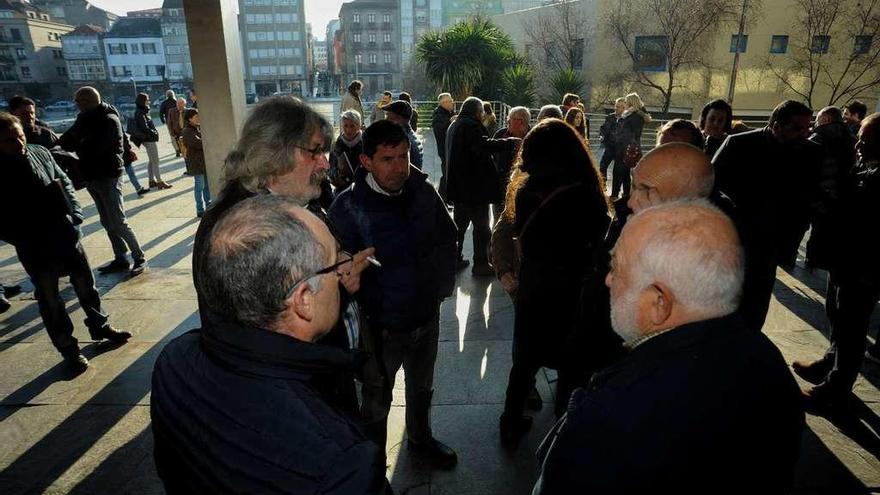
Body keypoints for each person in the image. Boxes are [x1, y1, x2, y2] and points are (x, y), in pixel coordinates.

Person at [533, 200, 804, 494]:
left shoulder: (612, 417)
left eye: (618, 267)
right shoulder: (770, 363)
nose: (609, 279)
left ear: (660, 303)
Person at [152, 195, 390, 494]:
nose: (344, 270)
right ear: (304, 300)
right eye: (335, 263)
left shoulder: (174, 359)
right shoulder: (342, 463)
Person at [192, 96, 375, 412]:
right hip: (299, 401)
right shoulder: (239, 230)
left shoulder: (295, 201)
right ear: (274, 152)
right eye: (315, 151)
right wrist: (337, 286)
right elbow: (275, 330)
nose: (326, 163)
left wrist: (336, 260)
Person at [329, 119, 459, 469]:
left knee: (422, 388)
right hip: (380, 329)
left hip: (425, 317)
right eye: (388, 159)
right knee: (375, 399)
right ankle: (372, 465)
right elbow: (335, 275)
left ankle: (420, 438)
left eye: (403, 156)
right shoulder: (347, 209)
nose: (399, 167)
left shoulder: (422, 191)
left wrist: (440, 288)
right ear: (366, 162)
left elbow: (449, 238)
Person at [499, 119, 611, 446]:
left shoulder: (525, 190)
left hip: (534, 286)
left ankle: (510, 422)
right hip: (574, 290)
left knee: (524, 361)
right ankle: (563, 433)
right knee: (572, 364)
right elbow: (597, 240)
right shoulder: (586, 193)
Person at [0, 113, 132, 372]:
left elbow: (65, 182)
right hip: (34, 245)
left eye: (20, 135)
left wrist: (75, 214)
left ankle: (100, 326)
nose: (19, 142)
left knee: (86, 286)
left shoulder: (40, 152)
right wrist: (22, 236)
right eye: (9, 140)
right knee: (50, 299)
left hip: (66, 234)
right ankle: (68, 349)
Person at [793, 113, 880, 415]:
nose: (858, 143)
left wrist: (825, 199)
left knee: (852, 325)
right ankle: (830, 361)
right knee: (838, 314)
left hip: (862, 266)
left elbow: (855, 216)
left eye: (865, 139)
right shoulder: (865, 167)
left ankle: (836, 387)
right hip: (845, 259)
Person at [713, 100, 822, 332]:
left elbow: (810, 199)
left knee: (755, 305)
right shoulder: (739, 144)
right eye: (797, 128)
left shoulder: (811, 153)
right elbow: (710, 187)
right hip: (731, 241)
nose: (805, 134)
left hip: (771, 246)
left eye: (807, 128)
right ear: (776, 125)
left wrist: (791, 239)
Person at [59, 86, 147, 276]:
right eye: (77, 102)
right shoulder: (83, 119)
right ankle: (120, 258)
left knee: (118, 222)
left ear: (91, 101)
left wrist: (79, 146)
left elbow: (98, 149)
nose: (78, 105)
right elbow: (67, 141)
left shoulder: (109, 119)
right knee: (106, 221)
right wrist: (74, 145)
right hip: (91, 176)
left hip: (108, 176)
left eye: (81, 101)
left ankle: (139, 257)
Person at [445, 96, 520, 275]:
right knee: (482, 227)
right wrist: (509, 143)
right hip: (473, 189)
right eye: (481, 112)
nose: (483, 115)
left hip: (458, 188)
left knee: (459, 226)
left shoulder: (454, 125)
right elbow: (481, 146)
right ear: (476, 112)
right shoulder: (470, 126)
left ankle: (454, 259)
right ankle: (480, 264)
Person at [804, 106, 856, 271]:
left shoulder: (820, 135)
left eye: (818, 119)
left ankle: (811, 260)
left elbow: (804, 158)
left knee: (814, 226)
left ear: (826, 119)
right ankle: (823, 260)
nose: (816, 123)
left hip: (820, 189)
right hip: (843, 192)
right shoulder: (851, 137)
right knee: (828, 228)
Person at [490, 106, 530, 220]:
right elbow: (492, 157)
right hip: (500, 188)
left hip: (522, 190)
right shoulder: (500, 134)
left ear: (521, 122)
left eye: (510, 119)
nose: (507, 121)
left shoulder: (532, 137)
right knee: (498, 222)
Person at [612, 92, 652, 198]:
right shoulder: (635, 114)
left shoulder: (635, 116)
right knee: (625, 172)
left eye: (626, 101)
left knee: (619, 171)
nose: (625, 103)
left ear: (630, 102)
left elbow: (633, 132)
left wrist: (621, 140)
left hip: (627, 147)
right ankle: (625, 194)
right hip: (629, 146)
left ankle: (616, 195)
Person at [131, 93, 170, 190]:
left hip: (147, 138)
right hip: (148, 139)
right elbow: (144, 127)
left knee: (151, 160)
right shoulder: (140, 112)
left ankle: (151, 181)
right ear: (143, 101)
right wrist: (153, 132)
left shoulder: (141, 110)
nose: (149, 101)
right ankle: (160, 181)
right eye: (147, 100)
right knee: (156, 160)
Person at [181, 108, 211, 217]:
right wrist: (208, 140)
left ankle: (209, 205)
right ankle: (200, 209)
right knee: (200, 186)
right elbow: (197, 143)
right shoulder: (187, 131)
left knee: (207, 186)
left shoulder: (197, 128)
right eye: (196, 117)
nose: (198, 118)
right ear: (189, 119)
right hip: (196, 163)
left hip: (202, 162)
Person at [381, 99, 423, 169]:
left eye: (389, 117)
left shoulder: (401, 141)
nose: (386, 121)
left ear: (399, 119)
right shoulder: (411, 135)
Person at [329, 109, 364, 193]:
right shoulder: (337, 145)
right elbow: (330, 167)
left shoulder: (366, 144)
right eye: (345, 126)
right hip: (341, 190)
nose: (348, 130)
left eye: (352, 126)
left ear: (359, 126)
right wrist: (336, 178)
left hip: (362, 190)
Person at [431, 92, 455, 201]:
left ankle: (445, 197)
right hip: (445, 149)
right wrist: (450, 121)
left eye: (451, 100)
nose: (452, 102)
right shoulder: (438, 114)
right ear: (443, 103)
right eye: (450, 101)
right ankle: (442, 198)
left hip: (450, 148)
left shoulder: (449, 112)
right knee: (447, 174)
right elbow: (439, 132)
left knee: (449, 174)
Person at [598, 97, 625, 184]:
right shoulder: (610, 117)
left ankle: (616, 192)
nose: (617, 108)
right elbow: (603, 128)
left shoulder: (626, 119)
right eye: (616, 106)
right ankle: (603, 184)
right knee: (602, 166)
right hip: (609, 146)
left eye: (620, 107)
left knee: (617, 171)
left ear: (624, 108)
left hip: (620, 149)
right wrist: (602, 136)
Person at [159, 90, 180, 157]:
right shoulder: (176, 102)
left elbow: (160, 113)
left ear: (166, 95)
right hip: (178, 120)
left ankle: (177, 150)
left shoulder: (164, 103)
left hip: (169, 122)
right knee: (179, 134)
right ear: (173, 94)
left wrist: (163, 121)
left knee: (172, 135)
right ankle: (181, 148)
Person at [166, 97, 186, 163]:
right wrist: (172, 133)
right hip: (177, 134)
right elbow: (169, 123)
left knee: (188, 151)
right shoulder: (171, 111)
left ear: (184, 104)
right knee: (182, 150)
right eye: (178, 103)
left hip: (186, 133)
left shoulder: (187, 111)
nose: (179, 105)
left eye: (181, 103)